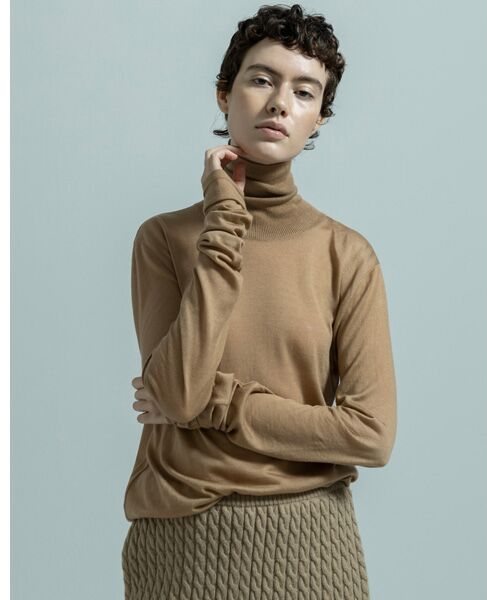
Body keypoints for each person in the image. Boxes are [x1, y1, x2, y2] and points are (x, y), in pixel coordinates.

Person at [121, 4, 397, 599]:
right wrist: (223, 223)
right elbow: (176, 394)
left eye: (304, 91)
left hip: (314, 549)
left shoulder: (346, 255)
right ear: (224, 94)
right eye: (262, 79)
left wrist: (219, 402)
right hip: (179, 548)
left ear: (318, 118)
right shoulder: (164, 239)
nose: (279, 103)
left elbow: (371, 434)